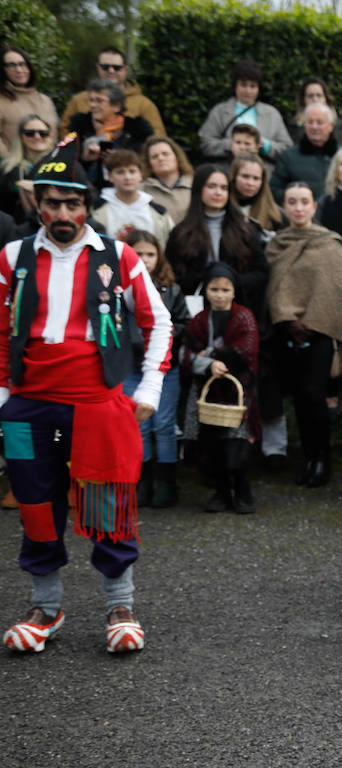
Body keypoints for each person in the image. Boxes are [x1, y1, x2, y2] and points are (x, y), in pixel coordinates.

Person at [0, 140, 171, 655]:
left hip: (97, 403)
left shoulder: (117, 257)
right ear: (38, 205)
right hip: (28, 405)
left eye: (73, 204)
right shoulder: (12, 257)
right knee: (34, 502)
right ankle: (46, 608)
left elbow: (158, 321)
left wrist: (149, 388)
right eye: (52, 202)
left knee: (107, 505)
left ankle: (120, 606)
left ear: (86, 205)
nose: (63, 213)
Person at [266, 182, 342, 488]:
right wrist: (287, 318)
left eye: (304, 201)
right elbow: (275, 288)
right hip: (285, 331)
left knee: (313, 395)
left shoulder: (328, 242)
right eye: (292, 202)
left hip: (320, 332)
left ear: (313, 206)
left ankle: (323, 460)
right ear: (284, 205)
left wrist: (311, 320)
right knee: (299, 399)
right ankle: (307, 458)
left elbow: (334, 291)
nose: (298, 208)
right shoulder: (276, 244)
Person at [183, 262, 259, 513]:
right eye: (214, 289)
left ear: (234, 291)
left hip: (236, 389)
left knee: (235, 442)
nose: (220, 295)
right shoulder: (199, 320)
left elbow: (245, 351)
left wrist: (213, 354)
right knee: (211, 443)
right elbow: (186, 353)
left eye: (225, 290)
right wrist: (209, 363)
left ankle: (242, 488)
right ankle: (221, 490)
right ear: (206, 291)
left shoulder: (243, 317)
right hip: (207, 389)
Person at [121, 228, 189, 508]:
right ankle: (142, 479)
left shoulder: (170, 289)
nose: (145, 259)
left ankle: (167, 482)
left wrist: (165, 337)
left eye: (150, 254)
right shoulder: (116, 289)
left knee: (163, 424)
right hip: (128, 367)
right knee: (138, 424)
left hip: (164, 368)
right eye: (138, 254)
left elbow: (183, 321)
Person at [165, 164, 269, 325]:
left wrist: (230, 282)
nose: (218, 192)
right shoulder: (181, 232)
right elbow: (171, 274)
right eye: (211, 186)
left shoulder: (246, 230)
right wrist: (205, 280)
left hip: (237, 313)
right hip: (194, 313)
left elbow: (261, 272)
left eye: (224, 187)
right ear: (199, 189)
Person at [198, 59, 293, 164]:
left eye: (253, 86)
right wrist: (231, 145)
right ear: (235, 86)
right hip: (226, 173)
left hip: (264, 174)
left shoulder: (272, 114)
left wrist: (264, 145)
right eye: (243, 85)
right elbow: (206, 144)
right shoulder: (220, 111)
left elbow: (287, 149)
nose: (248, 91)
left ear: (258, 88)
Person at [59, 45, 165, 138]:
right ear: (98, 67)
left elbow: (157, 139)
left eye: (116, 67)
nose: (111, 71)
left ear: (125, 69)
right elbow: (65, 133)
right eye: (105, 67)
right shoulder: (79, 100)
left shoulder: (144, 105)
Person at [70, 79, 155, 188]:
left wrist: (120, 159)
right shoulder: (79, 129)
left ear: (117, 106)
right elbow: (69, 165)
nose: (93, 105)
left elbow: (146, 165)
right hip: (87, 190)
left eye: (99, 101)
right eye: (91, 100)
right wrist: (85, 160)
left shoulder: (137, 131)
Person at [91, 149, 174, 244]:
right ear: (110, 176)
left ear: (141, 175)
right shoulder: (96, 210)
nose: (127, 177)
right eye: (120, 172)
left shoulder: (159, 212)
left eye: (132, 171)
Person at [270, 102, 339, 202]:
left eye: (320, 122)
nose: (314, 127)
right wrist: (295, 199)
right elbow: (274, 190)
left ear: (331, 126)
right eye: (310, 122)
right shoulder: (288, 157)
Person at [0, 46, 58, 159]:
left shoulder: (46, 101)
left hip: (48, 169)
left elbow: (54, 137)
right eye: (12, 65)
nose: (19, 70)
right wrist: (10, 165)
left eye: (22, 64)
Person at [1, 112, 53, 228]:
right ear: (21, 137)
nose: (37, 137)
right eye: (30, 133)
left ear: (50, 137)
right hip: (14, 229)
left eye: (43, 133)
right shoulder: (8, 168)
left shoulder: (60, 164)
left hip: (49, 228)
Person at [139, 136, 193, 225]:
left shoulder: (195, 185)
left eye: (165, 154)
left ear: (177, 157)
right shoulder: (141, 191)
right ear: (149, 163)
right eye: (154, 156)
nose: (161, 158)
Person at [288, 77, 342, 147]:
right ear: (303, 100)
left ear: (326, 99)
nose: (315, 99)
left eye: (319, 95)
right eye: (310, 96)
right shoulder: (293, 127)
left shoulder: (341, 127)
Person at [229, 153, 285, 234]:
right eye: (245, 176)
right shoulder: (222, 207)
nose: (250, 183)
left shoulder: (275, 214)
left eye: (256, 178)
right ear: (234, 176)